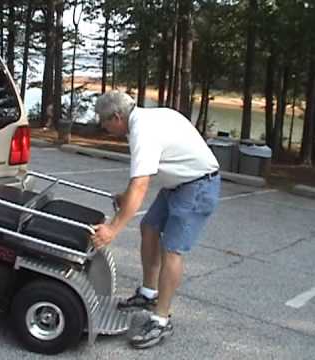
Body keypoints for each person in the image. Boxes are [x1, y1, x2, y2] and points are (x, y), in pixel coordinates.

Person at [92, 90, 221, 349]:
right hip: (179, 184)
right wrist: (126, 195)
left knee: (172, 250)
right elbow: (142, 178)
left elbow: (140, 186)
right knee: (149, 227)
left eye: (105, 122)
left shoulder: (142, 131)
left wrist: (112, 230)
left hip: (198, 186)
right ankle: (149, 294)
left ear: (117, 116)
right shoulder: (142, 121)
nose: (104, 127)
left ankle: (161, 320)